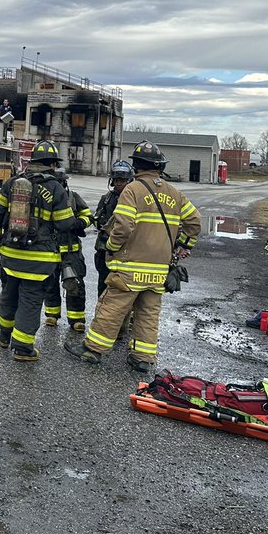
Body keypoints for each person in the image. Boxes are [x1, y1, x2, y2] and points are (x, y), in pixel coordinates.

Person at [67, 142, 200, 373]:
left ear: (136, 165)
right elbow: (194, 222)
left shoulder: (132, 190)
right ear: (160, 166)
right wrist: (183, 245)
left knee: (112, 307)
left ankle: (93, 350)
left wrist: (111, 244)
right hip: (159, 270)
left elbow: (124, 226)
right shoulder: (174, 193)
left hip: (130, 267)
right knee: (148, 313)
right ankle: (143, 359)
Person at [0, 140, 79, 362]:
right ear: (51, 164)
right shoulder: (55, 188)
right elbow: (65, 224)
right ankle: (23, 348)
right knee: (30, 299)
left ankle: (4, 335)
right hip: (39, 260)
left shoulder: (12, 184)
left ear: (33, 162)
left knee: (9, 295)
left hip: (10, 254)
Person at [43, 168, 94, 332]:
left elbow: (88, 216)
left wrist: (79, 223)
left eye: (60, 181)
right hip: (50, 250)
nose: (58, 185)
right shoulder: (46, 199)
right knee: (50, 284)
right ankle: (52, 315)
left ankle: (76, 319)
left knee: (74, 284)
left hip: (71, 251)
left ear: (65, 182)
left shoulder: (73, 198)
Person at [93, 161, 134, 296]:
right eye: (116, 180)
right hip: (106, 251)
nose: (118, 183)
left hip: (128, 253)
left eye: (122, 180)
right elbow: (97, 222)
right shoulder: (106, 199)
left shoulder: (136, 199)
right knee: (104, 287)